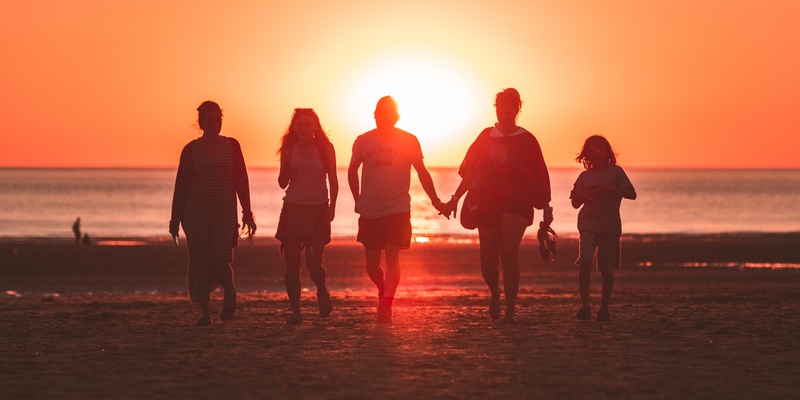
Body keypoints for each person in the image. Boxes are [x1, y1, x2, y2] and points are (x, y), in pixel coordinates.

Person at [444, 88, 552, 323]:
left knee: (508, 253)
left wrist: (546, 207)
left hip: (518, 202)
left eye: (509, 108)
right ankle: (496, 294)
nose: (504, 113)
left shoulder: (527, 139)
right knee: (488, 261)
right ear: (496, 109)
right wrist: (455, 198)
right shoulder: (486, 136)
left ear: (517, 109)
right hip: (488, 201)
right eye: (500, 108)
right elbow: (470, 171)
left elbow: (538, 175)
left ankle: (511, 309)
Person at [348, 96, 448, 324]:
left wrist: (434, 200)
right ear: (375, 115)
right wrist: (358, 199)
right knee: (372, 266)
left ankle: (387, 305)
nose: (382, 117)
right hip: (370, 210)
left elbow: (422, 172)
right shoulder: (363, 141)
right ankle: (383, 290)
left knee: (393, 260)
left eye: (387, 114)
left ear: (395, 117)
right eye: (379, 113)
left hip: (398, 209)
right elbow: (352, 170)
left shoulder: (409, 140)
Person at [169, 101, 256, 326]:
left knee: (220, 259)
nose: (215, 124)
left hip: (224, 210)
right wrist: (175, 219)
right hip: (195, 209)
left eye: (218, 120)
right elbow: (181, 185)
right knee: (199, 260)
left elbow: (241, 180)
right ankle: (204, 314)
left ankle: (229, 292)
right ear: (201, 123)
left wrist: (247, 213)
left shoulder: (232, 146)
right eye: (210, 121)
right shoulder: (191, 150)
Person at [276, 108, 338, 324]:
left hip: (318, 209)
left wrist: (332, 207)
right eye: (299, 124)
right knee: (291, 263)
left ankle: (322, 290)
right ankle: (296, 311)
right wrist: (285, 165)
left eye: (308, 124)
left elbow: (333, 179)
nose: (303, 128)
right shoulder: (289, 148)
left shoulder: (325, 148)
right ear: (294, 127)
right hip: (293, 208)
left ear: (315, 126)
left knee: (313, 263)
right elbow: (283, 183)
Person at [570, 135, 636, 322]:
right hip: (587, 225)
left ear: (607, 152)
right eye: (591, 150)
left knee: (606, 270)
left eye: (599, 149)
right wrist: (587, 194)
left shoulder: (616, 173)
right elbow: (575, 202)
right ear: (586, 154)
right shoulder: (584, 176)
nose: (595, 153)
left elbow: (632, 194)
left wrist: (610, 190)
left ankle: (604, 308)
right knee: (584, 262)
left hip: (609, 226)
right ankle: (585, 306)